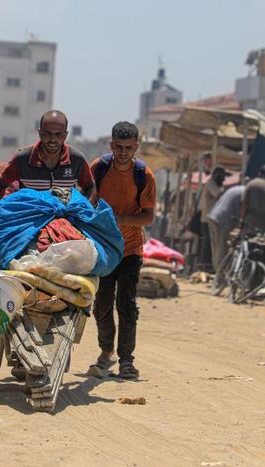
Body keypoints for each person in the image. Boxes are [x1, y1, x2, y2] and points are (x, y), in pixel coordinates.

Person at [87, 121, 156, 380]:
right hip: (103, 250)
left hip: (130, 250)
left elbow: (148, 217)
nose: (123, 153)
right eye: (119, 147)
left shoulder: (144, 175)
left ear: (136, 146)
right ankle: (106, 353)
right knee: (102, 305)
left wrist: (119, 219)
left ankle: (127, 360)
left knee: (126, 305)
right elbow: (88, 202)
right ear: (111, 145)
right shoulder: (99, 168)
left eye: (128, 148)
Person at [0, 110, 95, 201]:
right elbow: (0, 184)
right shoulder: (22, 159)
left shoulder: (77, 160)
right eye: (47, 134)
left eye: (58, 134)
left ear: (65, 135)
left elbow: (90, 187)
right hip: (30, 218)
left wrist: (84, 210)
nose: (52, 140)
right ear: (40, 133)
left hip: (65, 218)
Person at [207, 184, 245, 273]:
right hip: (223, 219)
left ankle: (218, 273)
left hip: (214, 215)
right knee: (222, 248)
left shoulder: (238, 189)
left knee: (216, 248)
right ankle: (220, 276)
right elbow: (243, 209)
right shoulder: (246, 193)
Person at [199, 166, 227, 270]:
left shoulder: (212, 184)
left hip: (208, 218)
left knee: (209, 243)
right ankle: (206, 265)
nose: (223, 179)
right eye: (222, 176)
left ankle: (206, 264)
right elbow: (219, 195)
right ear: (216, 175)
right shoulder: (211, 184)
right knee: (209, 243)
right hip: (208, 219)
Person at [241, 164, 265, 234]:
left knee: (248, 242)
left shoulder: (251, 183)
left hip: (252, 221)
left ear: (259, 173)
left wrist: (242, 221)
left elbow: (244, 204)